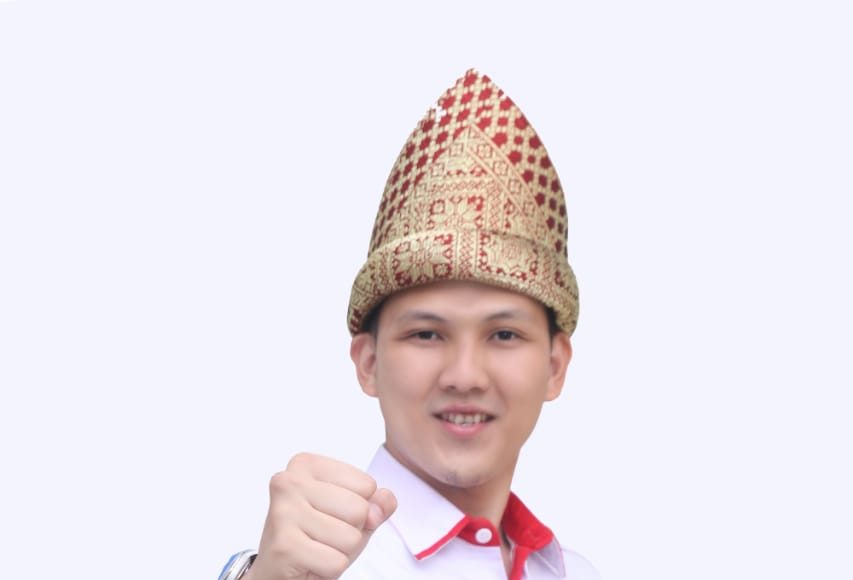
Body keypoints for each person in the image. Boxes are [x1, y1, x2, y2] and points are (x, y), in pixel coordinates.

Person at [219, 69, 601, 580]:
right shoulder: (312, 570)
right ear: (368, 362)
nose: (465, 375)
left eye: (504, 334)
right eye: (426, 334)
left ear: (555, 366)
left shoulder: (575, 572)